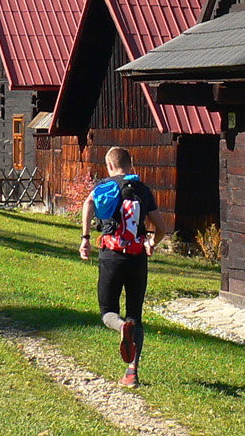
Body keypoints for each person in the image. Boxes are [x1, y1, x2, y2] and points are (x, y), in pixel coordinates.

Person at [79, 147, 169, 388]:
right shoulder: (143, 190)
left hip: (111, 256)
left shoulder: (104, 186)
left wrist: (85, 239)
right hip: (137, 258)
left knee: (108, 311)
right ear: (131, 164)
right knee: (135, 315)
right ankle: (131, 373)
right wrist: (151, 243)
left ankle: (121, 327)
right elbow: (162, 228)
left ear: (110, 165)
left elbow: (88, 204)